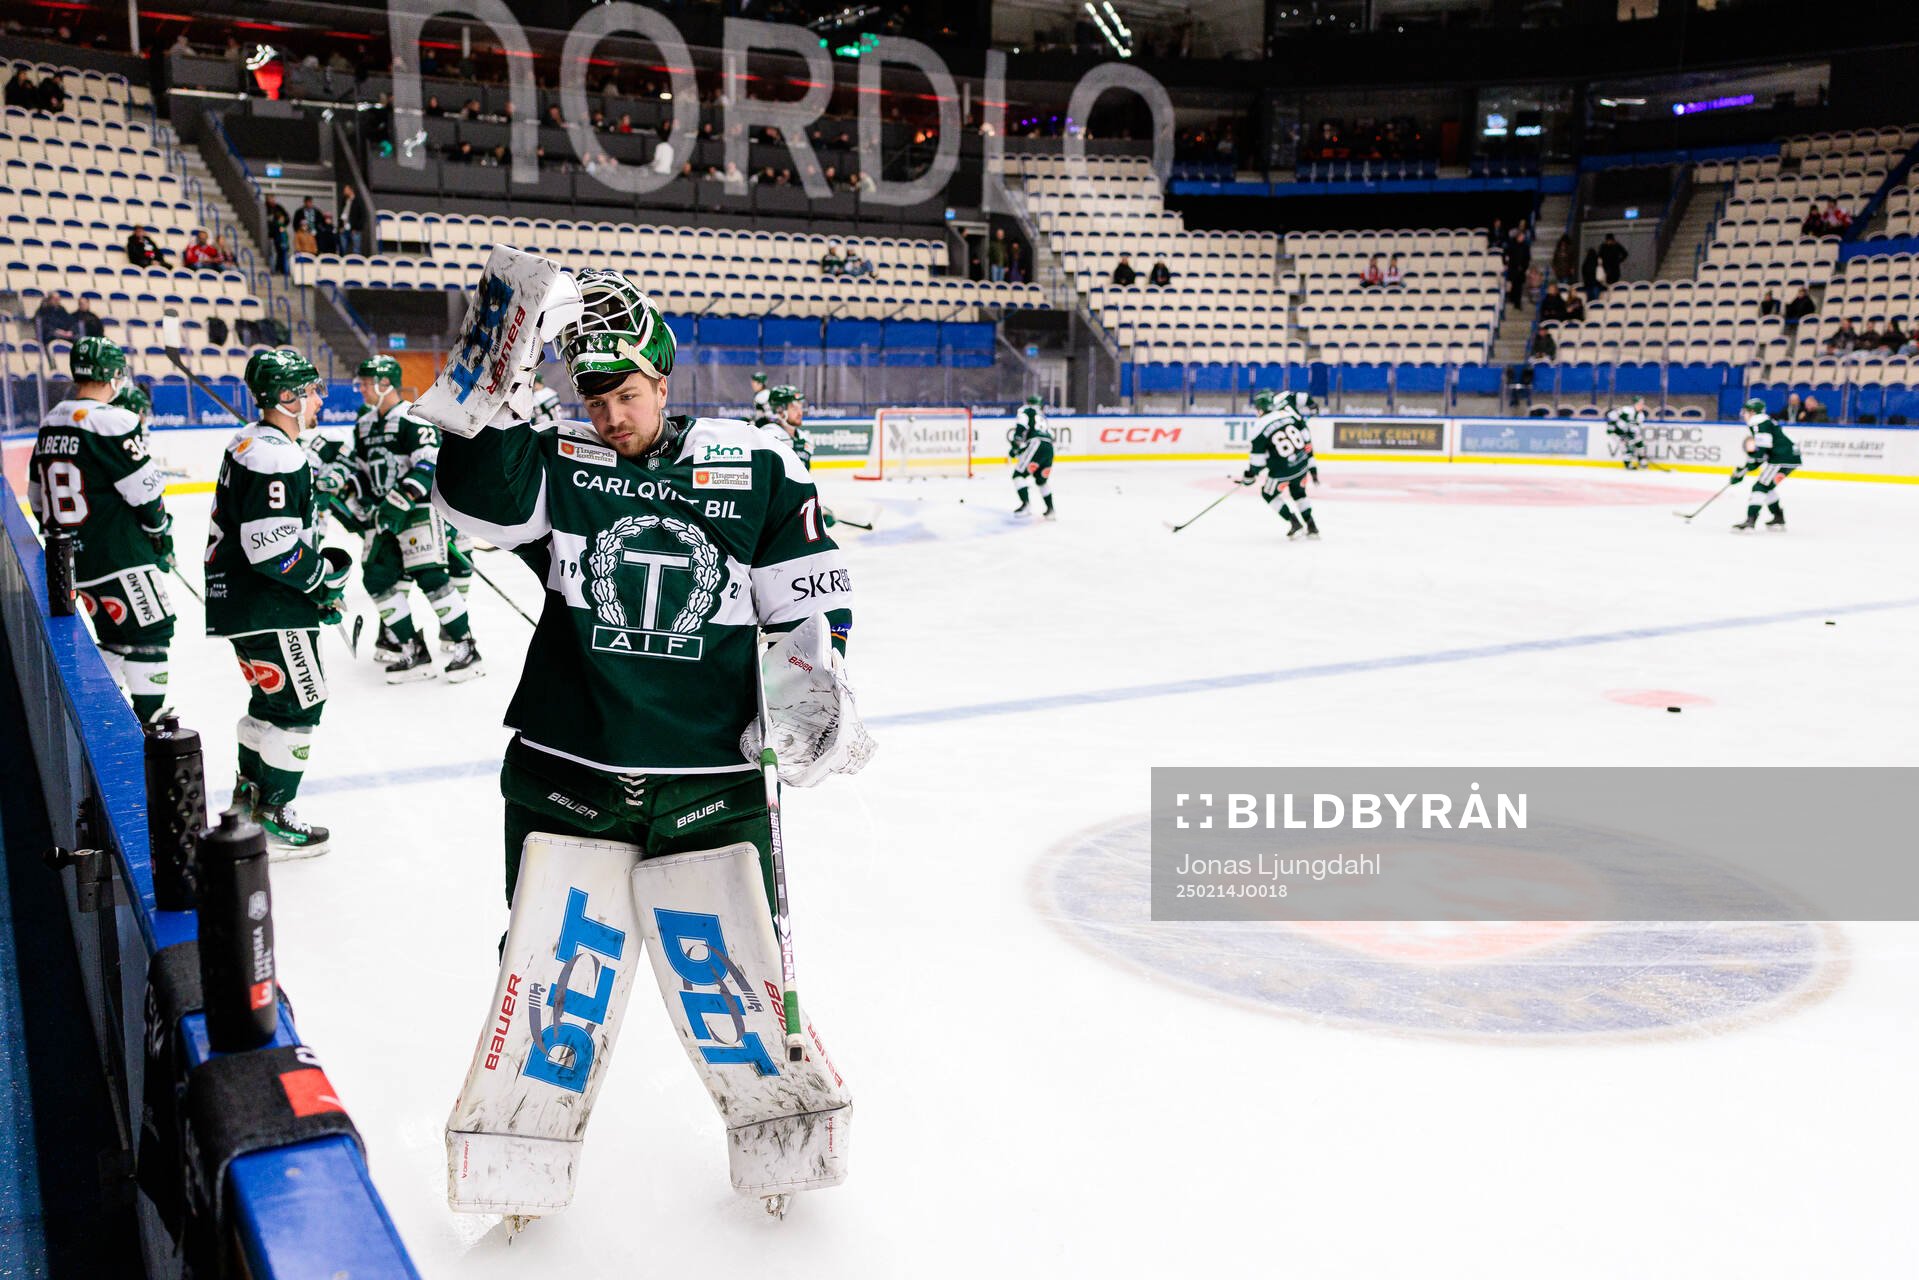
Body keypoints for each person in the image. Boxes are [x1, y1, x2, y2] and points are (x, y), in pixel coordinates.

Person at [426, 267, 867, 1222]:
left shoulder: (759, 465)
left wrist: (811, 699)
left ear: (665, 382)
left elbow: (809, 610)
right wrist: (488, 384)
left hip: (711, 776)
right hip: (566, 766)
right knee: (545, 971)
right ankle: (518, 1156)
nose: (612, 413)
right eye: (594, 396)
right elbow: (474, 514)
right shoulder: (558, 456)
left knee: (741, 969)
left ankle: (778, 1138)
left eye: (628, 394)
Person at [203, 349, 348, 856]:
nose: (318, 399)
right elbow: (270, 546)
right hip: (272, 603)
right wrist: (321, 583)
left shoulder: (247, 441)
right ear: (286, 398)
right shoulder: (277, 454)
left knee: (270, 701)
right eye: (310, 390)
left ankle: (248, 802)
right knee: (302, 703)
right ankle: (275, 814)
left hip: (241, 602)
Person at [29, 338, 176, 724]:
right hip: (120, 555)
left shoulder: (51, 421)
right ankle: (150, 722)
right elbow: (146, 492)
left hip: (71, 563)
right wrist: (160, 533)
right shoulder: (112, 420)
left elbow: (37, 498)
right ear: (113, 374)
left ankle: (101, 718)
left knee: (114, 638)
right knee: (153, 629)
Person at [331, 355, 483, 681]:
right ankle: (413, 649)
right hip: (383, 514)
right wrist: (340, 489)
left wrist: (398, 502)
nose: (361, 388)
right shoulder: (365, 423)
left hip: (418, 511)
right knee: (377, 578)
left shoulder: (412, 418)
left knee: (429, 575)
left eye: (367, 382)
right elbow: (357, 468)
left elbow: (429, 465)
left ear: (386, 383)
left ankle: (466, 648)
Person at [1238, 389, 1318, 538]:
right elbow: (1305, 436)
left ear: (1260, 408)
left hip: (1282, 470)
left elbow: (1257, 461)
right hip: (1302, 464)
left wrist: (1250, 475)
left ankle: (1294, 522)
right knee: (1299, 493)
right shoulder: (1288, 414)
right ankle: (1312, 527)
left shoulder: (1259, 427)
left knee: (1268, 493)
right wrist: (1311, 466)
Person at [1730, 397, 1801, 532]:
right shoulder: (1765, 421)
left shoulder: (1757, 421)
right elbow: (1763, 452)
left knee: (1760, 486)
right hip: (1788, 457)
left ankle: (1750, 520)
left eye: (1745, 412)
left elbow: (1761, 451)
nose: (1743, 415)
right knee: (1767, 486)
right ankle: (1778, 518)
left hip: (1781, 458)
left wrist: (1745, 469)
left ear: (1752, 412)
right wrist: (1746, 468)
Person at [1009, 395, 1057, 519]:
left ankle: (1026, 505)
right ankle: (1051, 510)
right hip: (1049, 447)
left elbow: (1021, 427)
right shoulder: (1042, 415)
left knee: (1018, 475)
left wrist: (1015, 446)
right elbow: (1052, 435)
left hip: (1036, 444)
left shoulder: (1026, 410)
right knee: (1041, 480)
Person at [763, 384, 813, 468]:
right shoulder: (768, 437)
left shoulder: (805, 439)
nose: (800, 413)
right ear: (779, 410)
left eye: (800, 407)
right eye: (794, 408)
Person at [1605, 397, 1650, 470]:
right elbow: (1611, 415)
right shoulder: (1626, 410)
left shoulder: (1641, 415)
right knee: (1628, 446)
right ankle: (1627, 463)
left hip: (1627, 433)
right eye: (1639, 404)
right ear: (1635, 404)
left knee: (1639, 442)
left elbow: (1636, 428)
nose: (1641, 405)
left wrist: (1633, 434)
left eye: (1642, 404)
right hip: (1617, 432)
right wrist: (1611, 428)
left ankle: (1641, 459)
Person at [336, 184, 365, 255]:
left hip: (354, 229)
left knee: (356, 249)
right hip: (344, 228)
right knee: (343, 248)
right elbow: (342, 214)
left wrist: (357, 228)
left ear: (351, 190)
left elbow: (362, 216)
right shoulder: (344, 201)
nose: (344, 192)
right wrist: (340, 226)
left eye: (346, 190)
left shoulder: (358, 201)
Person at [264, 195, 290, 273]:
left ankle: (281, 269)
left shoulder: (279, 207)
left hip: (279, 236)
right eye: (270, 198)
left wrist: (283, 224)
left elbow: (287, 218)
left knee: (281, 253)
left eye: (273, 198)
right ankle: (274, 269)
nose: (272, 200)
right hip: (270, 235)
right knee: (273, 253)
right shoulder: (265, 208)